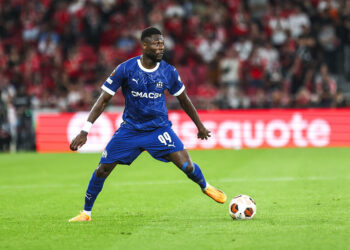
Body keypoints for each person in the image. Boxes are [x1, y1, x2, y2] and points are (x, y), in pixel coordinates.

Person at [68, 27, 226, 222]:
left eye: (162, 44)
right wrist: (85, 130)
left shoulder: (168, 71)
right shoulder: (125, 69)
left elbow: (184, 100)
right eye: (156, 44)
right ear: (144, 46)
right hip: (130, 130)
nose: (161, 47)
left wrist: (200, 126)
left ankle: (205, 186)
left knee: (187, 166)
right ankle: (86, 213)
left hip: (158, 129)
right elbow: (103, 100)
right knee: (102, 169)